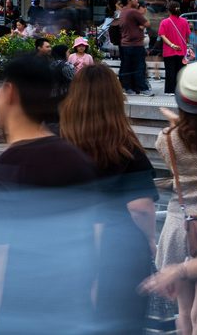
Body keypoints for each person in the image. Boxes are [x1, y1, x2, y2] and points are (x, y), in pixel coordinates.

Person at [0, 54, 98, 335]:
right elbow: (94, 250)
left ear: (9, 93)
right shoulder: (79, 161)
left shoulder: (0, 178)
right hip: (73, 318)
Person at [60, 64, 157, 333]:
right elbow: (141, 208)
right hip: (119, 252)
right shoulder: (126, 148)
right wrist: (150, 240)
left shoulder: (60, 145)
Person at [154, 60, 197, 335]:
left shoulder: (166, 139)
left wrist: (176, 122)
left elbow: (188, 142)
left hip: (179, 224)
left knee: (183, 312)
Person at [117, 0, 152, 95]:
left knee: (126, 66)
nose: (137, 0)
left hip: (125, 44)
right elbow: (147, 24)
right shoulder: (133, 11)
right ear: (128, 1)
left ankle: (127, 87)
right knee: (139, 67)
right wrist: (141, 24)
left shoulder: (123, 11)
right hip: (135, 44)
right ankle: (143, 88)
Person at [161, 1, 194, 96]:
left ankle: (170, 90)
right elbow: (187, 36)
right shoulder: (184, 21)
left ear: (169, 11)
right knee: (181, 71)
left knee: (170, 71)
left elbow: (162, 36)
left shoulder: (165, 22)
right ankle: (180, 90)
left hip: (169, 51)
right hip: (182, 51)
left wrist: (171, 45)